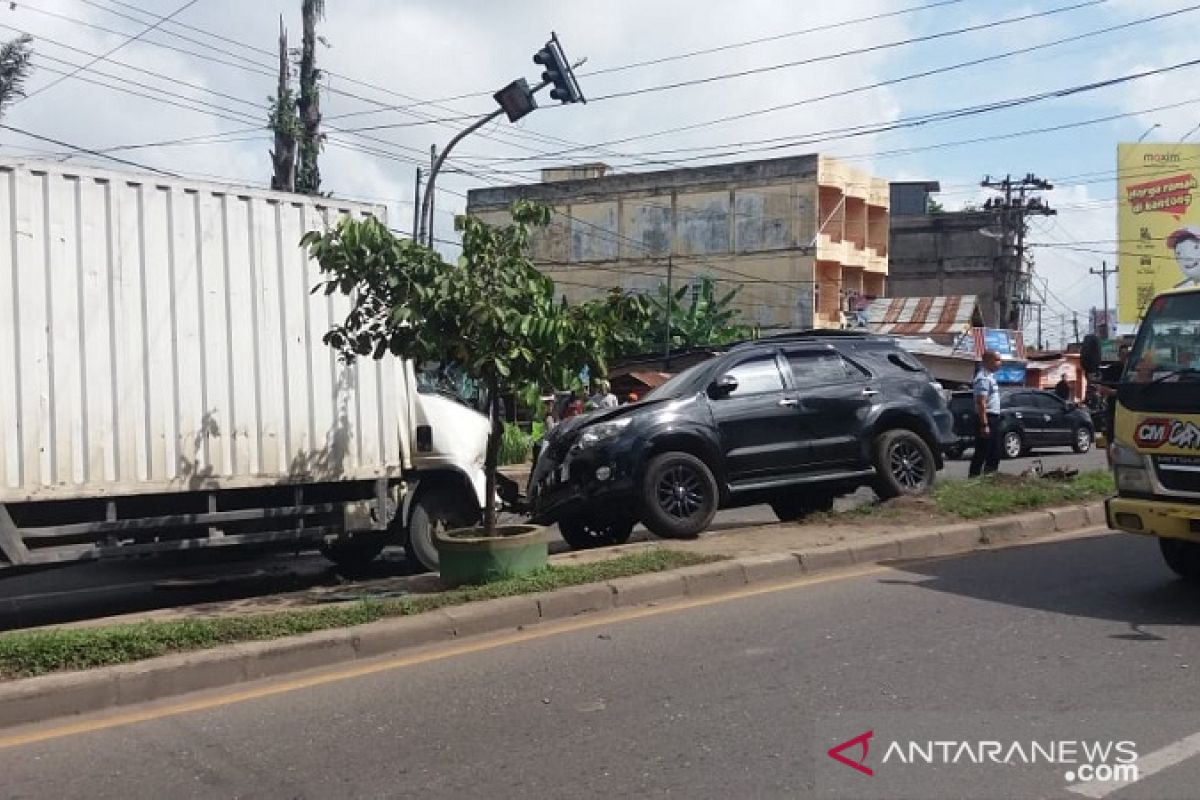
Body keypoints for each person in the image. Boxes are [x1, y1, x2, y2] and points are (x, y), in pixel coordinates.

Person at [969, 349, 1003, 478]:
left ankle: (989, 479)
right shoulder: (983, 378)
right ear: (987, 361)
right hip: (986, 417)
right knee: (982, 451)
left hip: (994, 417)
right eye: (997, 360)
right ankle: (974, 479)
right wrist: (984, 424)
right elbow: (981, 402)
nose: (1000, 363)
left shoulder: (990, 377)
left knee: (995, 452)